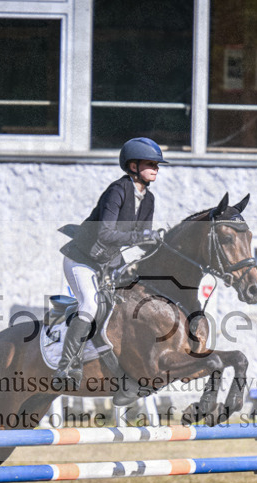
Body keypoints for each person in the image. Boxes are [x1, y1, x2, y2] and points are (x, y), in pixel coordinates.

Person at [54, 137, 167, 405]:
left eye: (157, 164)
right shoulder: (117, 190)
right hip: (82, 260)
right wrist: (141, 237)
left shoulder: (148, 198)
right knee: (90, 305)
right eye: (151, 164)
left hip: (109, 263)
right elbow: (105, 233)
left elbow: (139, 240)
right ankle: (67, 365)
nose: (156, 168)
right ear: (133, 165)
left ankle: (129, 376)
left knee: (132, 307)